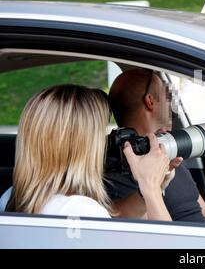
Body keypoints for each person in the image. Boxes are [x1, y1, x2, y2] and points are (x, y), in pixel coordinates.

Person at [5, 84, 173, 221]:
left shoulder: (12, 197)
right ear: (83, 146)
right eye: (101, 133)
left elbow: (110, 218)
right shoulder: (79, 210)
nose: (106, 141)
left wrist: (146, 193)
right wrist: (150, 186)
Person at [108, 69, 205, 225]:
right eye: (168, 95)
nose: (172, 102)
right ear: (150, 101)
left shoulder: (171, 152)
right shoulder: (120, 174)